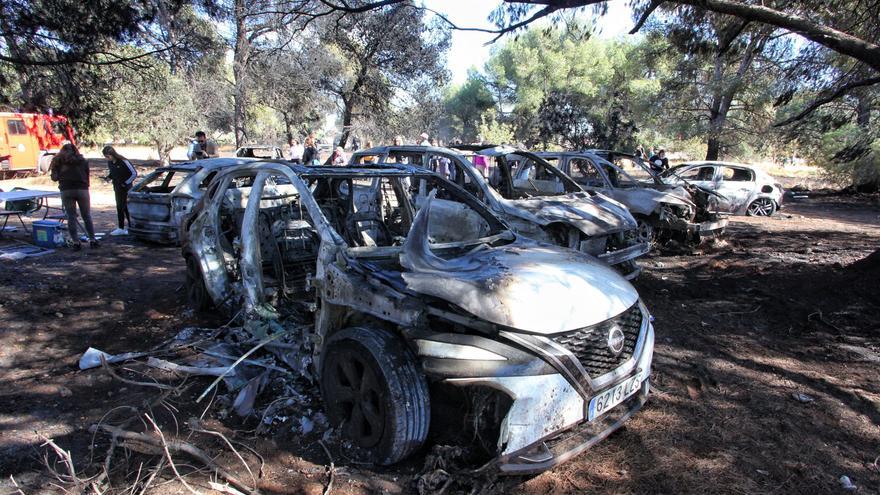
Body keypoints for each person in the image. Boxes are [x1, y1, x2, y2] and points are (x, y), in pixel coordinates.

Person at [50, 144, 98, 250]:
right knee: (86, 216)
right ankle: (93, 240)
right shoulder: (83, 161)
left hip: (66, 190)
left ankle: (76, 242)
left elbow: (54, 178)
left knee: (71, 217)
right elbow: (87, 175)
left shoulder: (57, 161)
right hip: (82, 189)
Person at [101, 146, 137, 236]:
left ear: (112, 154)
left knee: (126, 208)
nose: (107, 158)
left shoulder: (124, 161)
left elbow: (134, 173)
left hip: (126, 188)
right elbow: (113, 173)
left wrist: (126, 183)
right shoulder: (110, 163)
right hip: (117, 188)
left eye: (108, 156)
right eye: (106, 157)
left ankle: (131, 227)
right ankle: (121, 227)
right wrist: (108, 178)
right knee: (119, 207)